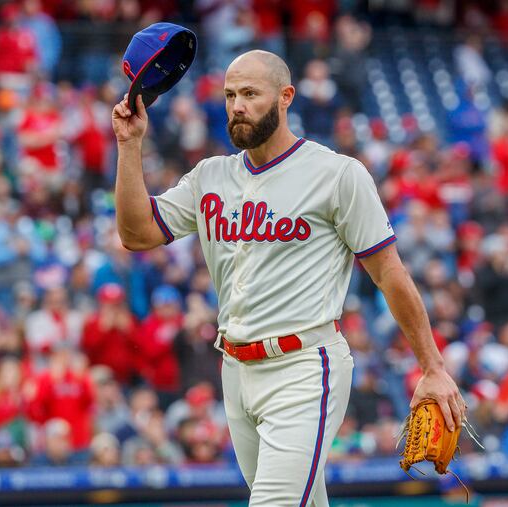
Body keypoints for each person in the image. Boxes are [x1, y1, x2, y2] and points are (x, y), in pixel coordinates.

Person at [112, 49, 465, 506]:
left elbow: (390, 273)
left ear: (285, 97)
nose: (237, 105)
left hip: (303, 367)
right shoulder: (210, 176)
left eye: (250, 94)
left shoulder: (336, 174)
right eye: (230, 95)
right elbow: (137, 233)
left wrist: (433, 367)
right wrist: (129, 145)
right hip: (236, 370)